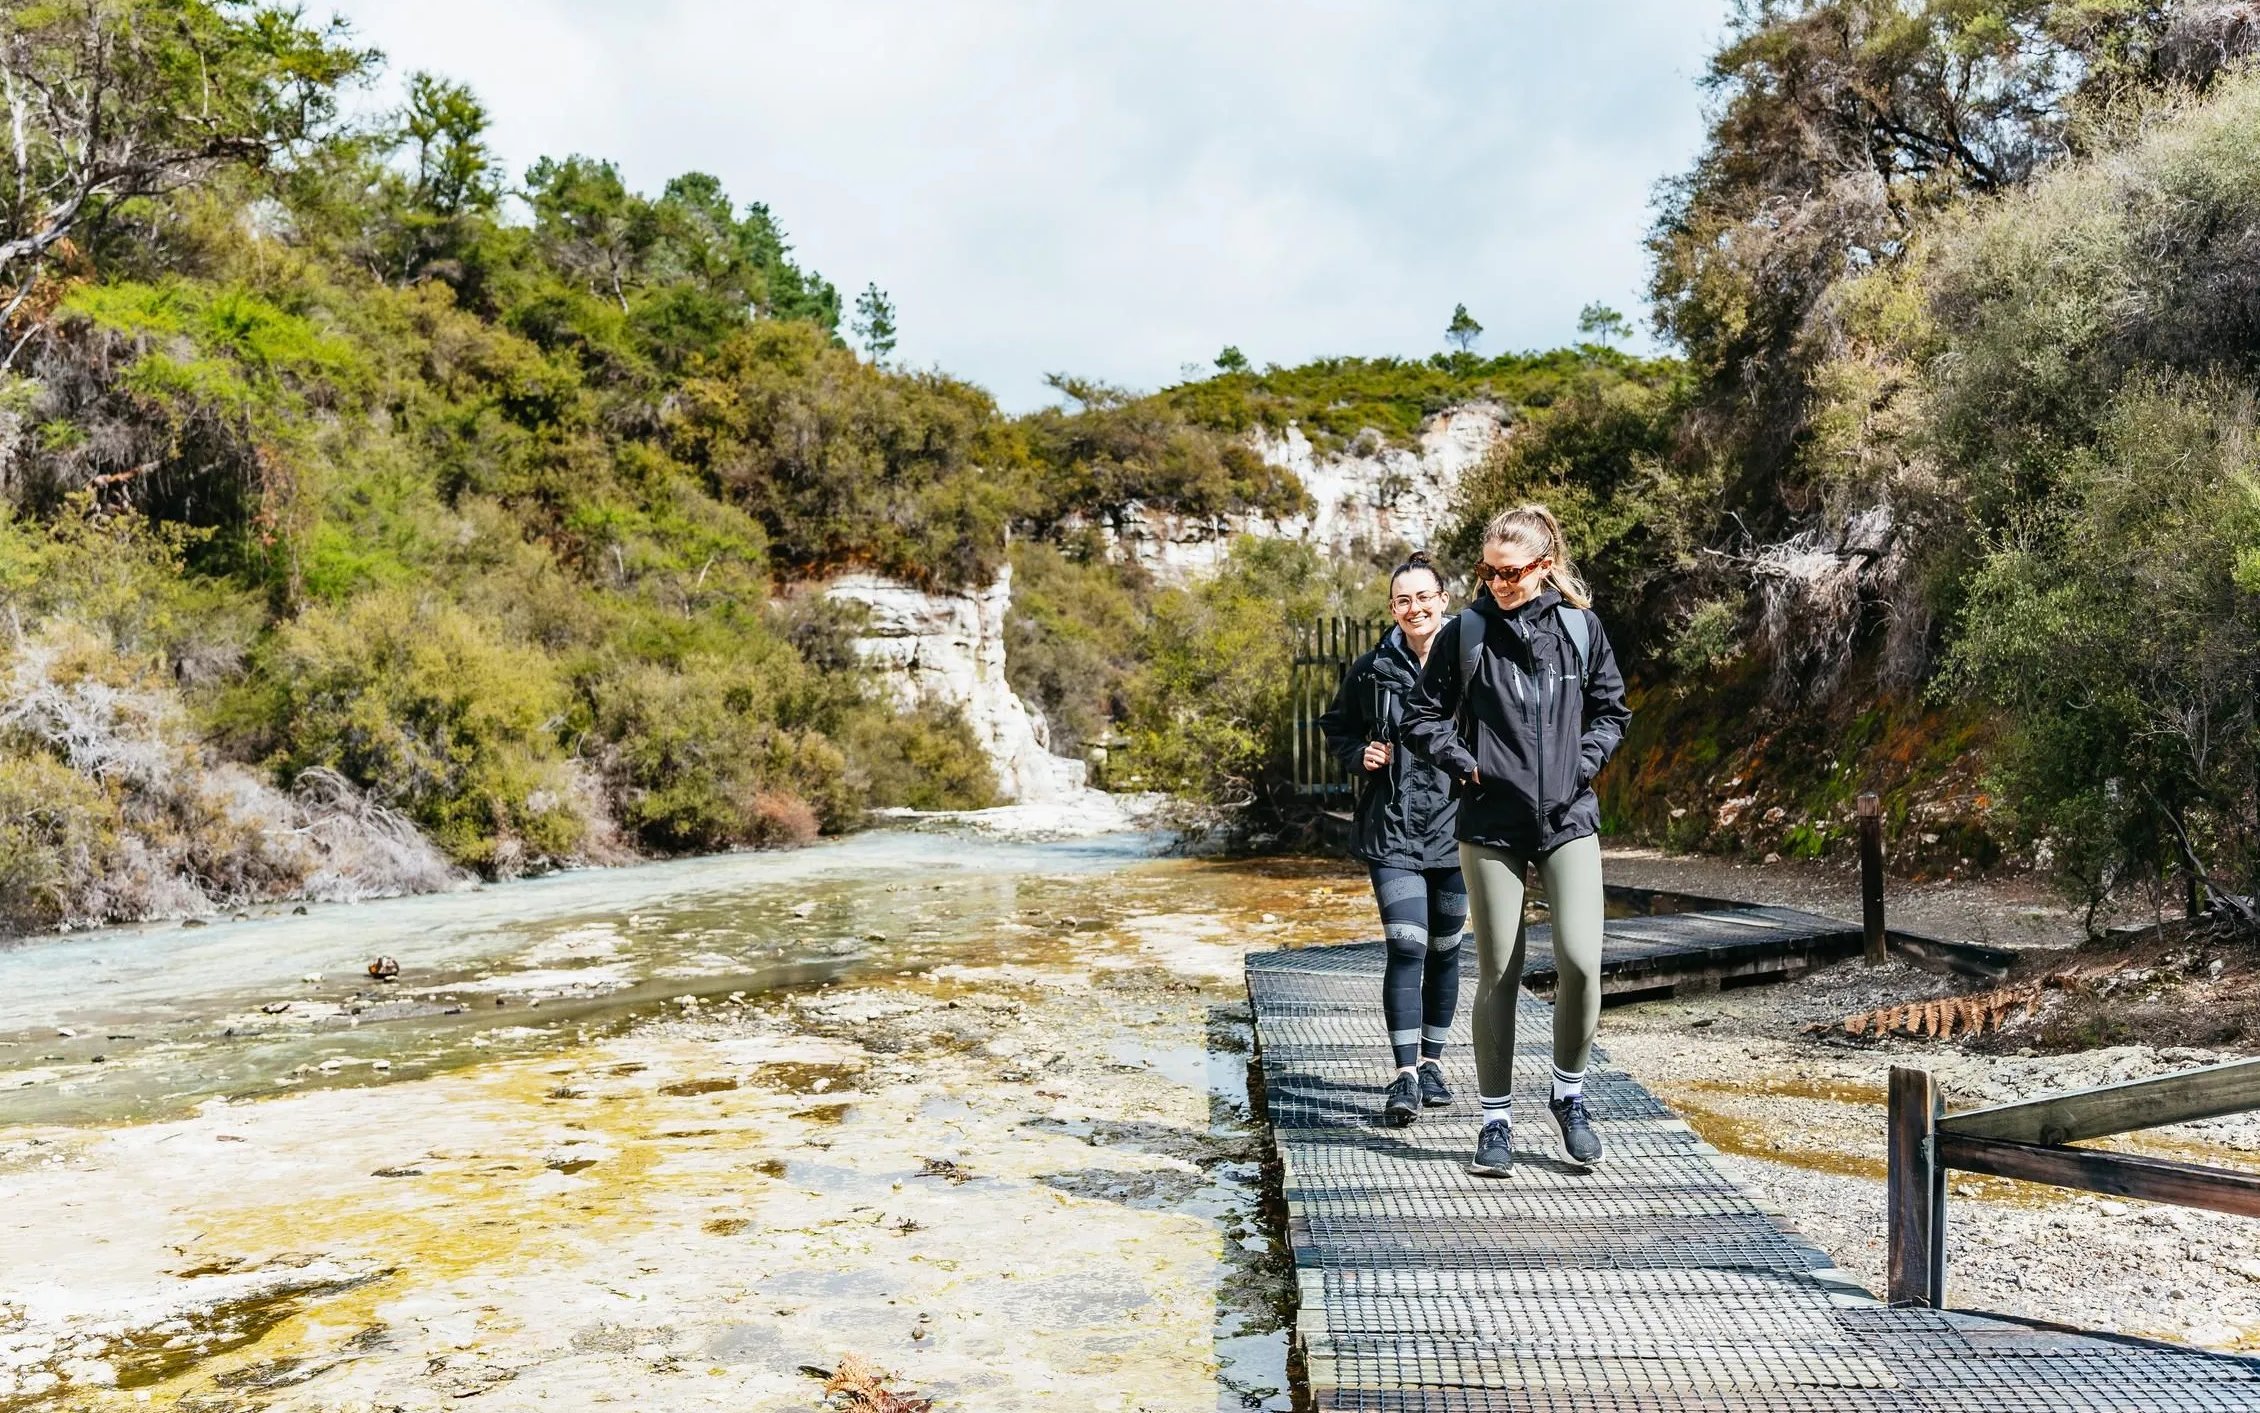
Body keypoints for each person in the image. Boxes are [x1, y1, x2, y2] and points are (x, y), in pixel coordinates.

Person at [1400, 506, 1630, 1176]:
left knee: (1583, 961)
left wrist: (1582, 765)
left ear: (1544, 564)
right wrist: (1464, 762)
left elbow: (1613, 710)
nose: (1497, 583)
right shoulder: (1466, 633)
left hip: (1568, 818)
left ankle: (1568, 1094)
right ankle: (1495, 1118)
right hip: (1490, 821)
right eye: (1488, 572)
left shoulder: (1580, 630)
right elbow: (1422, 715)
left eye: (1511, 572)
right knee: (1499, 967)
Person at [1317, 551, 1467, 1128]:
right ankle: (1404, 1074)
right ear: (1391, 608)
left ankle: (1433, 1062)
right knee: (1407, 943)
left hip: (1459, 828)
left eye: (1423, 597)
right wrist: (1362, 755)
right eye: (1403, 600)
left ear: (1442, 599)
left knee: (1446, 949)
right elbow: (1337, 727)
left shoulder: (1471, 659)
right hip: (1393, 827)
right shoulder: (1373, 668)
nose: (1415, 608)